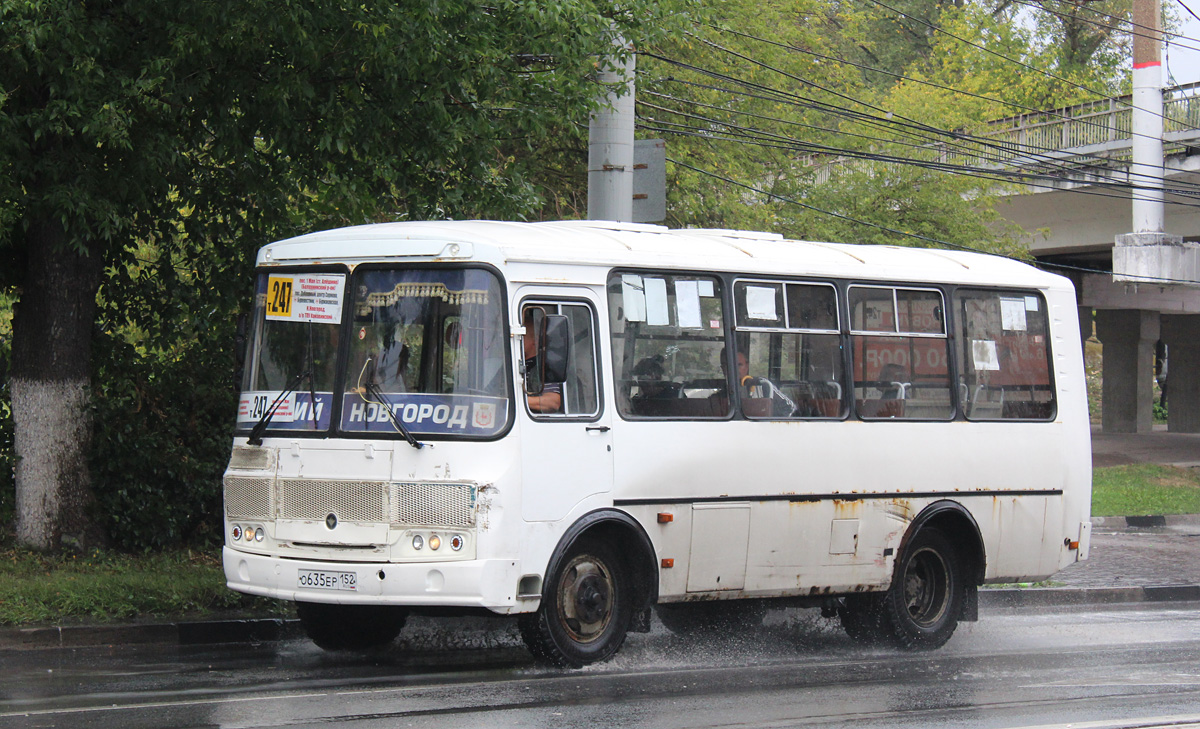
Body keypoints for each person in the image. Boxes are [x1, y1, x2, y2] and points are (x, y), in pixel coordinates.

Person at [523, 308, 562, 413]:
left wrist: (518, 401)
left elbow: (552, 402)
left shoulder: (544, 366)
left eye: (522, 336)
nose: (516, 340)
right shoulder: (511, 365)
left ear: (535, 340)